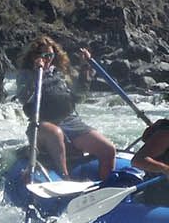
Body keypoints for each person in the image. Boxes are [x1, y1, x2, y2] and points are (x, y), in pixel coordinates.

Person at [17, 36, 116, 180]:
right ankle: (65, 177)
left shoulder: (61, 73)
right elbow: (24, 98)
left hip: (71, 122)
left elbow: (80, 94)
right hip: (42, 125)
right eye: (43, 55)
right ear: (34, 56)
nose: (47, 59)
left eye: (50, 55)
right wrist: (37, 72)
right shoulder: (26, 75)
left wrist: (85, 66)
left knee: (108, 150)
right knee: (56, 133)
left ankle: (105, 186)